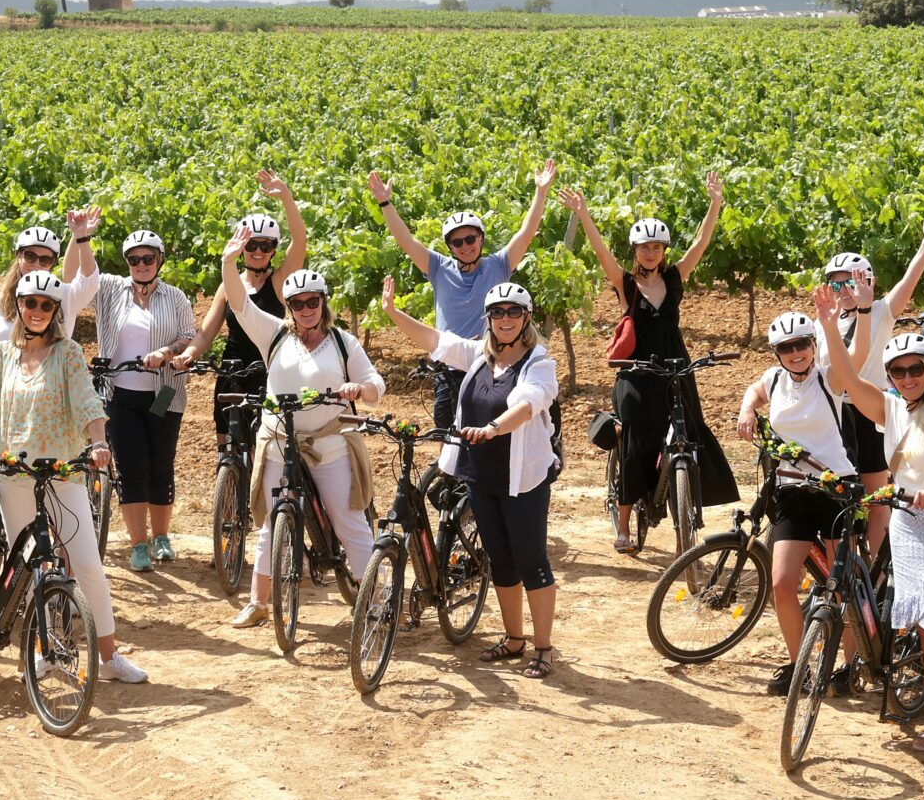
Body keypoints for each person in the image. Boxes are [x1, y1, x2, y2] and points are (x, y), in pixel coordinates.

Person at [381, 274, 560, 679]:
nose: (505, 319)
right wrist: (393, 313)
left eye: (513, 311)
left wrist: (494, 427)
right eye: (497, 312)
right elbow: (435, 341)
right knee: (500, 562)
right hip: (481, 475)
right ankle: (514, 639)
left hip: (523, 479)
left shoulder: (540, 364)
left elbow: (530, 404)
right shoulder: (480, 357)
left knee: (532, 562)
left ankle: (543, 647)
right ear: (489, 319)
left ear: (526, 317)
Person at [559, 173, 738, 553]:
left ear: (665, 250)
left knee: (690, 434)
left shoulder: (674, 279)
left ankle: (684, 524)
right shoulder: (625, 284)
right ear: (635, 250)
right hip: (637, 374)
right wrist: (584, 214)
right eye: (644, 247)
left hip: (675, 369)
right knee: (636, 444)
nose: (650, 253)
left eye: (657, 247)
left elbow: (702, 243)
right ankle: (623, 526)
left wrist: (715, 203)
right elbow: (601, 253)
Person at [0, 272, 146, 681]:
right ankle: (44, 649)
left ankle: (108, 659)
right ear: (18, 306)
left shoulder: (68, 352)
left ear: (55, 311)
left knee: (86, 564)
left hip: (60, 473)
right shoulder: (1, 356)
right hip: (13, 476)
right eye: (30, 303)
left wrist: (98, 444)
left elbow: (88, 404)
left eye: (46, 305)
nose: (37, 311)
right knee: (29, 568)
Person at [221, 228, 384, 628]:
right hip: (279, 443)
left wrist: (359, 389)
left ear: (323, 302)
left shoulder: (344, 342)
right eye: (297, 303)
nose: (306, 308)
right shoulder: (274, 335)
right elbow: (240, 305)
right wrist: (229, 262)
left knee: (349, 523)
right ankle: (259, 602)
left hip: (329, 445)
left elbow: (376, 385)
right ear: (288, 305)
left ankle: (377, 600)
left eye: (312, 301)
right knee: (270, 524)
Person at [817, 294, 924, 762]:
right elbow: (847, 379)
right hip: (908, 523)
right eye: (898, 371)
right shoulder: (890, 408)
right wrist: (832, 326)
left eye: (916, 369)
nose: (907, 378)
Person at [736, 283, 871, 695]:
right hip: (792, 491)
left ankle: (850, 667)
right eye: (787, 348)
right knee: (781, 583)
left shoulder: (829, 379)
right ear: (777, 353)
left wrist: (832, 325)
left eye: (802, 345)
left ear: (813, 346)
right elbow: (756, 391)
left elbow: (854, 363)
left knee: (840, 583)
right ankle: (801, 667)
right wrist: (746, 409)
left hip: (834, 492)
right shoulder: (774, 381)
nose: (796, 353)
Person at [368, 160, 556, 426]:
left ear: (481, 239)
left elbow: (527, 233)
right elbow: (406, 240)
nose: (465, 246)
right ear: (450, 247)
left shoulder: (499, 264)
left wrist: (541, 192)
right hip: (449, 365)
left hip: (490, 364)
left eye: (470, 239)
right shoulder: (438, 268)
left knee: (487, 431)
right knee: (446, 433)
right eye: (457, 242)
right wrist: (385, 204)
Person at [814, 214, 924, 554]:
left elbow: (909, 282)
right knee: (837, 492)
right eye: (837, 284)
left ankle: (873, 568)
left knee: (874, 494)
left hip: (872, 412)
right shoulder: (824, 322)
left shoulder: (881, 311)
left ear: (866, 281)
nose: (843, 290)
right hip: (834, 413)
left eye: (851, 282)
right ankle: (843, 569)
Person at [174, 171, 308, 446]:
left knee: (265, 450)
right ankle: (229, 484)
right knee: (226, 449)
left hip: (268, 372)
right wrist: (189, 354)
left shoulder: (279, 280)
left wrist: (287, 198)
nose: (258, 251)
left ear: (273, 250)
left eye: (266, 245)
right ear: (241, 247)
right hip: (231, 373)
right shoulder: (229, 285)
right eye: (251, 245)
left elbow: (300, 241)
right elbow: (205, 334)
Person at [93, 230, 195, 572]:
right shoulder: (109, 289)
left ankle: (162, 537)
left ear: (159, 260)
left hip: (163, 393)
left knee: (161, 465)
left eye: (147, 258)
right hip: (119, 394)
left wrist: (167, 352)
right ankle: (138, 544)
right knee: (131, 468)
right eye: (133, 260)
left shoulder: (176, 297)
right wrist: (81, 239)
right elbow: (80, 278)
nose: (140, 265)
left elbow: (188, 337)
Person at [0, 212, 101, 454]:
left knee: (55, 477)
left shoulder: (64, 296)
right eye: (30, 256)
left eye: (45, 260)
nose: (36, 264)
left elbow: (89, 281)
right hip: (6, 406)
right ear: (18, 255)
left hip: (54, 406)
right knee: (6, 479)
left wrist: (81, 238)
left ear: (53, 264)